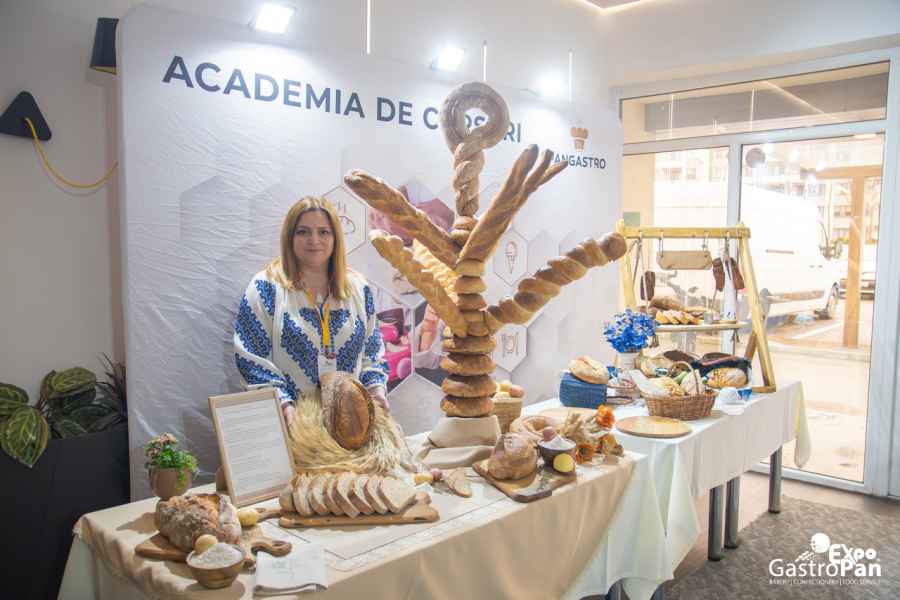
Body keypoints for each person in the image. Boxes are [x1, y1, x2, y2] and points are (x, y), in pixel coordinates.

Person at [233, 196, 389, 425]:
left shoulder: (358, 288)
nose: (314, 240)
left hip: (351, 424)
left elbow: (372, 352)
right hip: (291, 423)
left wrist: (376, 390)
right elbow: (250, 354)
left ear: (335, 238)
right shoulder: (265, 288)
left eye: (323, 232)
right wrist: (283, 404)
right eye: (303, 232)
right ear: (290, 237)